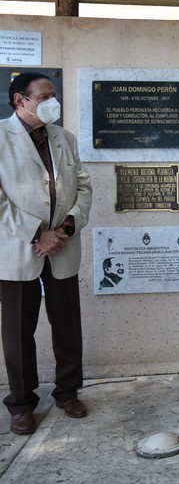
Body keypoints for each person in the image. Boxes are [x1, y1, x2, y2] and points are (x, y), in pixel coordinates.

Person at [0, 72, 92, 434]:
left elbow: (83, 187)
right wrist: (39, 233)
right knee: (18, 331)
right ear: (20, 101)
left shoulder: (64, 138)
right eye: (44, 96)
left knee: (67, 325)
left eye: (55, 95)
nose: (53, 101)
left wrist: (67, 226)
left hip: (63, 247)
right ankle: (21, 404)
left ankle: (68, 391)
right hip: (18, 250)